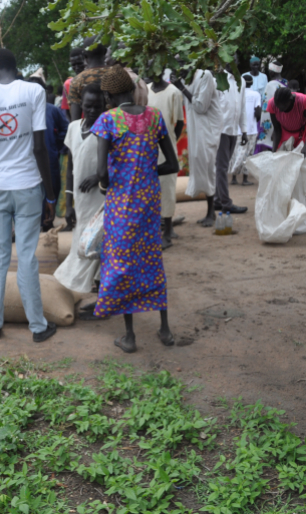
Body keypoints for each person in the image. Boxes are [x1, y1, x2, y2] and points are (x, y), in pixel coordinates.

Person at [0, 48, 58, 343]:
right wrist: (50, 195)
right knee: (27, 258)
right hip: (29, 186)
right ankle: (38, 327)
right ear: (16, 68)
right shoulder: (33, 92)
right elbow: (40, 148)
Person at [87, 65, 178, 353]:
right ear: (132, 90)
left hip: (121, 204)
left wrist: (112, 179)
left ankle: (130, 336)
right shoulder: (154, 117)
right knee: (151, 259)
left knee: (121, 263)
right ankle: (164, 329)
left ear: (108, 95)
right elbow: (173, 165)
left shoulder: (107, 120)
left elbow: (101, 172)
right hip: (149, 202)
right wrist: (147, 172)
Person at [54, 82, 107, 294]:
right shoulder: (74, 128)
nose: (93, 110)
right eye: (88, 106)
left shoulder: (107, 129)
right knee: (81, 242)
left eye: (98, 106)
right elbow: (70, 168)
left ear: (104, 106)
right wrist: (68, 203)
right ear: (81, 105)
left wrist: (99, 176)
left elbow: (118, 164)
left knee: (97, 240)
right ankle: (85, 285)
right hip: (81, 198)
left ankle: (99, 286)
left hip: (101, 198)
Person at [173, 69, 221, 227]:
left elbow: (201, 106)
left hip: (207, 131)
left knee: (208, 168)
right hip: (196, 130)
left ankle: (211, 211)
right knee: (200, 167)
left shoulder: (204, 75)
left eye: (182, 63)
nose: (180, 66)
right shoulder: (188, 77)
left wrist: (182, 87)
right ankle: (209, 212)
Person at [147, 72, 184, 248]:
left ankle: (168, 230)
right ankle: (155, 229)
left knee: (167, 188)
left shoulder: (174, 92)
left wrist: (171, 143)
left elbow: (179, 123)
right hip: (148, 147)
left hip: (167, 146)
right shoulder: (144, 90)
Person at [28, 76, 69, 230]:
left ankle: (47, 226)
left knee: (50, 192)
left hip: (50, 160)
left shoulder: (52, 110)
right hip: (28, 163)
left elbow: (66, 129)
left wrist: (56, 146)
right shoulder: (21, 110)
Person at [213, 70, 250, 214]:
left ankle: (217, 200)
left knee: (223, 166)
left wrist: (244, 130)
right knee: (222, 167)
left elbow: (242, 107)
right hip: (220, 130)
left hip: (233, 130)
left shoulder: (241, 80)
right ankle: (226, 203)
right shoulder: (219, 79)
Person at [68, 37, 111, 121]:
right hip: (117, 129)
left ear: (84, 55)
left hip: (90, 131)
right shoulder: (118, 75)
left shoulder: (77, 81)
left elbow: (75, 120)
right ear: (105, 52)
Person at [230, 74, 262, 186]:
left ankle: (233, 177)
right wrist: (257, 119)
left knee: (235, 152)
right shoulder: (256, 94)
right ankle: (244, 179)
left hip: (238, 128)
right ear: (252, 83)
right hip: (251, 129)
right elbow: (258, 111)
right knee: (248, 154)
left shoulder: (237, 93)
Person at [267, 86, 306, 155]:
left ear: (291, 100)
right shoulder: (272, 104)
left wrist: (305, 147)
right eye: (278, 107)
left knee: (302, 160)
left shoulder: (303, 101)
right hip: (284, 133)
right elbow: (277, 129)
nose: (280, 110)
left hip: (303, 133)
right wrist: (273, 151)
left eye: (283, 107)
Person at [256, 61, 287, 152]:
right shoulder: (286, 84)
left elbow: (266, 110)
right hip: (283, 124)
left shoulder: (270, 85)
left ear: (271, 72)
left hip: (271, 127)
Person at [62, 46, 86, 121]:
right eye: (73, 65)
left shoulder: (95, 78)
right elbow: (67, 111)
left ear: (86, 60)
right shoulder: (67, 84)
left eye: (79, 64)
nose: (77, 67)